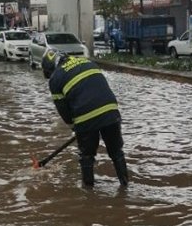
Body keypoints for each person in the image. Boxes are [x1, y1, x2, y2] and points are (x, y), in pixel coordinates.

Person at [42, 50, 129, 188]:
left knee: (87, 156)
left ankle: (88, 193)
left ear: (50, 67)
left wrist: (74, 127)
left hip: (85, 116)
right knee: (117, 152)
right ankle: (125, 186)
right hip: (111, 111)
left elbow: (63, 110)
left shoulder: (55, 78)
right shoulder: (87, 62)